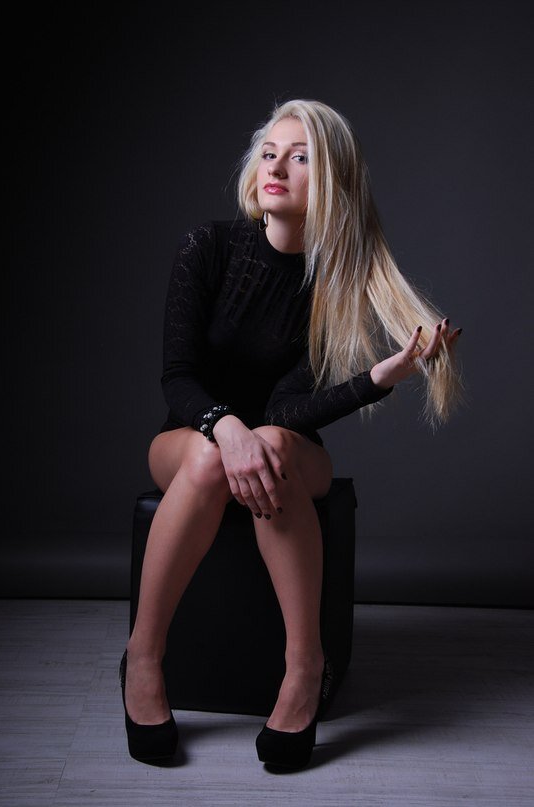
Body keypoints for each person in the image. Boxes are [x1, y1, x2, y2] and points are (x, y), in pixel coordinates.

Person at [119, 99, 462, 771]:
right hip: (190, 438)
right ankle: (144, 658)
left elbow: (289, 412)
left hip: (287, 446)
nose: (276, 166)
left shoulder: (333, 287)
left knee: (272, 448)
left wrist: (378, 379)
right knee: (210, 460)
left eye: (300, 157)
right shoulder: (207, 248)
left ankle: (304, 669)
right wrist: (226, 430)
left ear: (330, 180)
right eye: (270, 152)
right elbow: (178, 379)